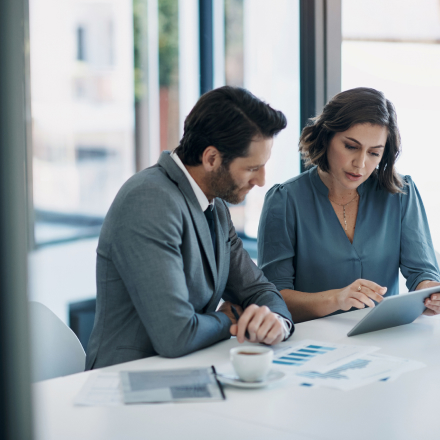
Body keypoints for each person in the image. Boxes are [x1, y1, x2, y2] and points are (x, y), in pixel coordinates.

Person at [86, 86, 294, 369]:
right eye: (251, 168)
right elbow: (176, 334)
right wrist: (230, 320)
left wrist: (276, 322)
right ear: (211, 159)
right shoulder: (148, 200)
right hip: (129, 382)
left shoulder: (215, 206)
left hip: (189, 372)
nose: (261, 180)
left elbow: (258, 289)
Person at [258, 87, 440, 323]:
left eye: (374, 153)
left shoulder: (401, 193)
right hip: (312, 344)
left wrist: (429, 294)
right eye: (351, 147)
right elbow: (273, 298)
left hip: (384, 338)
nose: (361, 164)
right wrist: (336, 299)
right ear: (327, 137)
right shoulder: (284, 201)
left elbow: (422, 274)